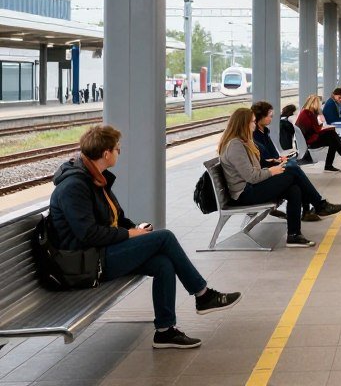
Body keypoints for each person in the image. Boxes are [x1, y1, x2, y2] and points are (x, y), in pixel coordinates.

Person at [49, 125, 241, 349]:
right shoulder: (74, 186)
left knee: (163, 263)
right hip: (85, 263)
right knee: (165, 237)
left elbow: (116, 218)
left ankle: (165, 331)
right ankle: (203, 294)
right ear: (106, 154)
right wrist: (130, 234)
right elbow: (88, 234)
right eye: (118, 149)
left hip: (98, 253)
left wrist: (135, 228)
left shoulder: (96, 178)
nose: (120, 152)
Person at [219, 108, 341, 248]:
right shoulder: (235, 145)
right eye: (252, 121)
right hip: (245, 194)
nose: (255, 124)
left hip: (251, 188)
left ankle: (294, 235)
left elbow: (251, 168)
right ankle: (319, 204)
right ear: (243, 124)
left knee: (294, 188)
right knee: (292, 170)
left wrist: (270, 163)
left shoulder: (241, 142)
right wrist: (272, 171)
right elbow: (251, 177)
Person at [252, 101, 330, 222]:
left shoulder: (264, 131)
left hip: (271, 166)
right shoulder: (254, 135)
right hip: (265, 172)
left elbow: (272, 153)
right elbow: (262, 159)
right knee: (294, 170)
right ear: (260, 116)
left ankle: (311, 209)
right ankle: (316, 206)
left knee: (294, 176)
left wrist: (279, 159)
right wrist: (276, 161)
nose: (272, 119)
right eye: (269, 116)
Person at [294, 94, 341, 171]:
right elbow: (316, 129)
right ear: (315, 103)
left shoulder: (305, 112)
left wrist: (323, 126)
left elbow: (314, 128)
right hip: (311, 140)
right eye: (319, 104)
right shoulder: (308, 113)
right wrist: (322, 124)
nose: (319, 106)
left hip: (309, 138)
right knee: (332, 136)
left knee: (332, 137)